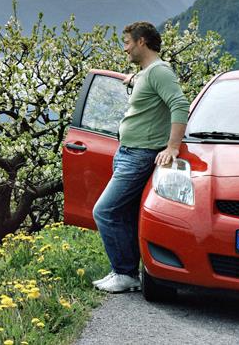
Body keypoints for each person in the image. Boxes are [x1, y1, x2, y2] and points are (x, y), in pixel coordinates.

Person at [91, 21, 191, 293]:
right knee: (123, 213)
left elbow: (179, 104)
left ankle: (125, 273)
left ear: (141, 42)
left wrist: (172, 146)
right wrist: (134, 79)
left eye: (127, 43)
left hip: (139, 155)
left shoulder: (159, 72)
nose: (125, 49)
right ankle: (124, 271)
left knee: (105, 211)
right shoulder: (147, 73)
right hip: (128, 151)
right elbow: (150, 88)